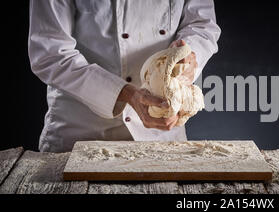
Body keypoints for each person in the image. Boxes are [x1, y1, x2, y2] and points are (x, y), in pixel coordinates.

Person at [28, 0, 221, 152]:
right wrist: (126, 94)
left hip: (161, 139)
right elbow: (50, 53)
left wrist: (188, 54)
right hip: (81, 135)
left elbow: (202, 24)